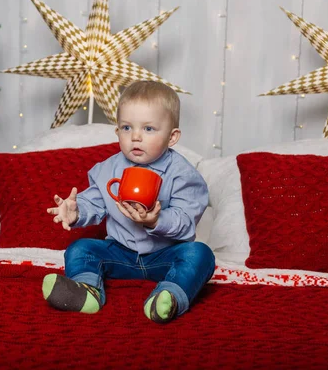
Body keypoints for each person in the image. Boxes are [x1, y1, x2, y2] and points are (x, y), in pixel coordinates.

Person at [42, 80, 214, 324]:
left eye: (149, 129)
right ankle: (87, 290)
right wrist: (76, 210)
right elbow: (95, 202)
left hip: (164, 255)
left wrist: (157, 219)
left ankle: (169, 296)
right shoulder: (107, 169)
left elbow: (186, 223)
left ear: (172, 137)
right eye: (126, 127)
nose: (135, 137)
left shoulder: (183, 175)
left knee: (200, 254)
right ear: (117, 132)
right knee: (80, 248)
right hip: (119, 254)